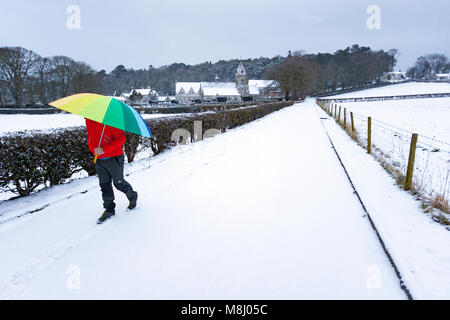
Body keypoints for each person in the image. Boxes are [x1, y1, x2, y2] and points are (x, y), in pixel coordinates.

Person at [86, 119, 138, 224]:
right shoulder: (89, 120)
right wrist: (92, 148)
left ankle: (132, 196)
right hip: (99, 159)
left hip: (114, 157)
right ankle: (109, 210)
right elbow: (91, 137)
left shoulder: (111, 120)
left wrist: (104, 150)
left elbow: (121, 139)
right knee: (104, 185)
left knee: (118, 183)